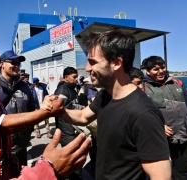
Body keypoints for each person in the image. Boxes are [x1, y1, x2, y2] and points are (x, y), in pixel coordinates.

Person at [0, 45, 91, 179]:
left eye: (0, 61)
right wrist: (47, 112)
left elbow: (29, 112)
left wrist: (7, 153)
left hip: (6, 162)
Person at [56, 30, 171, 179]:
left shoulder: (143, 114)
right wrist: (57, 110)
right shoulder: (105, 95)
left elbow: (161, 177)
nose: (87, 68)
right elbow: (83, 116)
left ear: (117, 63)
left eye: (93, 62)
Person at [142, 55, 187, 180]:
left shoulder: (177, 82)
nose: (161, 71)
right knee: (159, 171)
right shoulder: (144, 87)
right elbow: (142, 112)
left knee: (182, 169)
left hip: (182, 134)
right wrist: (158, 126)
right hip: (160, 136)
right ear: (148, 71)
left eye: (162, 67)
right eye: (155, 69)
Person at [0, 50, 35, 176]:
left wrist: (27, 133)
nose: (17, 66)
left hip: (22, 146)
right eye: (13, 62)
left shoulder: (25, 86)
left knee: (23, 175)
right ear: (1, 64)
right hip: (1, 148)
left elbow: (31, 111)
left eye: (18, 63)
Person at [54, 67, 84, 180]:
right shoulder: (62, 90)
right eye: (74, 77)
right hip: (67, 130)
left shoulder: (72, 88)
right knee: (71, 159)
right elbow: (62, 106)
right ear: (66, 78)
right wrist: (81, 107)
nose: (76, 79)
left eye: (76, 76)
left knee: (77, 158)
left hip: (74, 128)